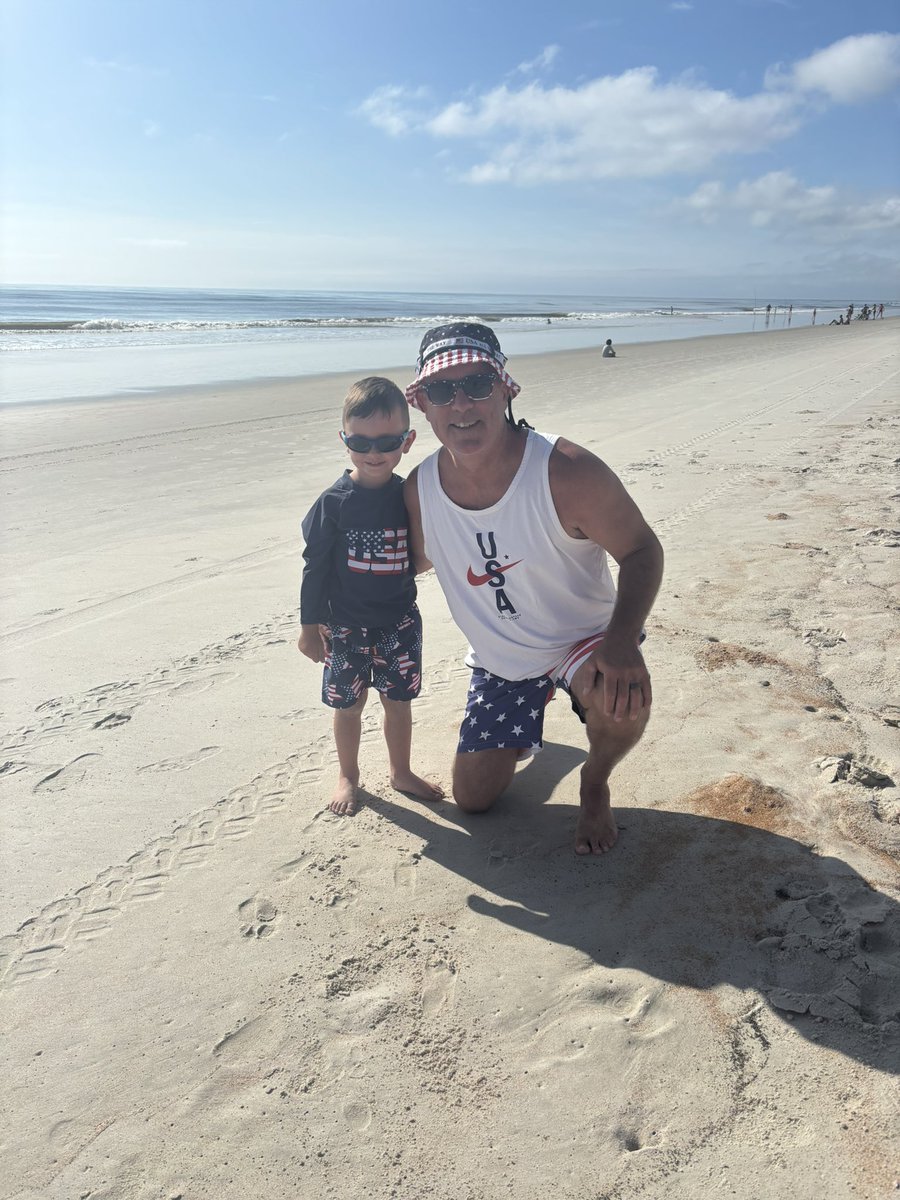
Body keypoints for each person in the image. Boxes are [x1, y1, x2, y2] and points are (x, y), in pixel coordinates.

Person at [403, 323, 663, 856]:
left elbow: (642, 551)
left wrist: (620, 645)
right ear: (423, 407)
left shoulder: (566, 471)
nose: (460, 404)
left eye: (477, 383)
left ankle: (595, 779)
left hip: (583, 641)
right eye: (440, 391)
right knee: (473, 800)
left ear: (505, 388)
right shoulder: (419, 491)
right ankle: (529, 718)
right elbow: (405, 565)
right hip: (503, 658)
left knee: (623, 699)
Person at [298, 376, 443, 815]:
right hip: (343, 625)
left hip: (400, 621)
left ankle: (400, 771)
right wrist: (309, 627)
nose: (374, 453)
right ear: (344, 439)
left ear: (408, 440)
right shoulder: (334, 503)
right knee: (349, 705)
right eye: (360, 442)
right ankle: (349, 775)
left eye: (388, 441)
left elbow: (428, 549)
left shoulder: (410, 496)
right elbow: (315, 567)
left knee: (398, 702)